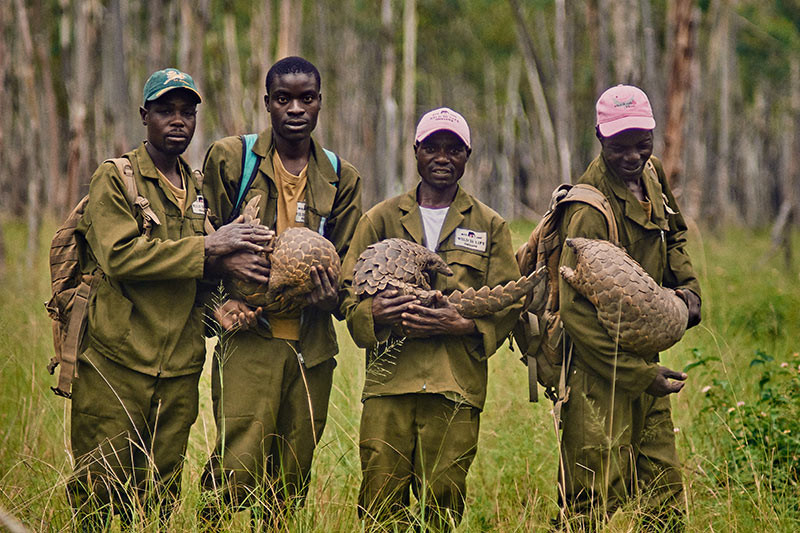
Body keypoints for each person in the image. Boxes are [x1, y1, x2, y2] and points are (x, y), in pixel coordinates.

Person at [68, 68, 273, 529]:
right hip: (117, 363)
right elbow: (122, 257)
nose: (177, 121)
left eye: (187, 111)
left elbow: (196, 277)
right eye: (165, 111)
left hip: (179, 368)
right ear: (144, 116)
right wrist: (210, 247)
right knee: (99, 492)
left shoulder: (198, 187)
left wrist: (223, 307)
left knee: (158, 496)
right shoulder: (117, 179)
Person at [340, 107, 523, 531]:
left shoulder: (489, 225)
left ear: (467, 155)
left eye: (454, 149)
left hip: (453, 385)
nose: (443, 157)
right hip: (390, 386)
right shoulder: (381, 219)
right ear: (416, 152)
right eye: (433, 147)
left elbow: (510, 303)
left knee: (443, 501)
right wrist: (375, 313)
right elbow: (348, 297)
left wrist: (463, 325)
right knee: (380, 502)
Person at [199, 56, 362, 527]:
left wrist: (333, 297)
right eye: (283, 99)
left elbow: (347, 268)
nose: (295, 109)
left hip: (311, 350)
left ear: (319, 103)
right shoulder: (233, 159)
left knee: (291, 481)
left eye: (306, 98)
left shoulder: (341, 176)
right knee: (234, 470)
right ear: (267, 103)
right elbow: (198, 245)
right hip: (250, 344)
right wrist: (222, 304)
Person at [556, 84, 702, 530]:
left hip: (643, 360)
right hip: (598, 371)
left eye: (642, 144)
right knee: (591, 498)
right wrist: (640, 375)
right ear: (600, 137)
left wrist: (689, 286)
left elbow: (674, 233)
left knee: (663, 495)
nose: (633, 157)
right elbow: (574, 312)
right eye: (620, 147)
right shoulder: (588, 207)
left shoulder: (652, 175)